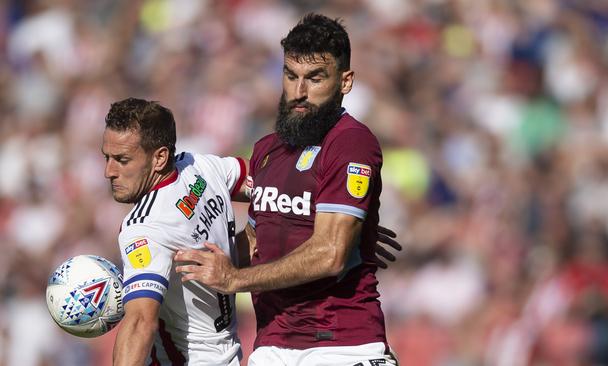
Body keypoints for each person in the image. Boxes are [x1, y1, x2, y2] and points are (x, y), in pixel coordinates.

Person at [175, 13, 398, 366]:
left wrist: (235, 279)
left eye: (315, 78)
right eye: (291, 75)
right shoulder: (267, 148)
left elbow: (330, 254)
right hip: (272, 344)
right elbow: (256, 236)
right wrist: (184, 256)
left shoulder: (351, 144)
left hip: (340, 344)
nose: (299, 92)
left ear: (345, 81)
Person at [103, 97, 248, 366]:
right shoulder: (201, 167)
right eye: (107, 157)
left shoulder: (143, 227)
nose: (108, 172)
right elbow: (267, 189)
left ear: (159, 157)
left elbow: (140, 322)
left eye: (122, 160)